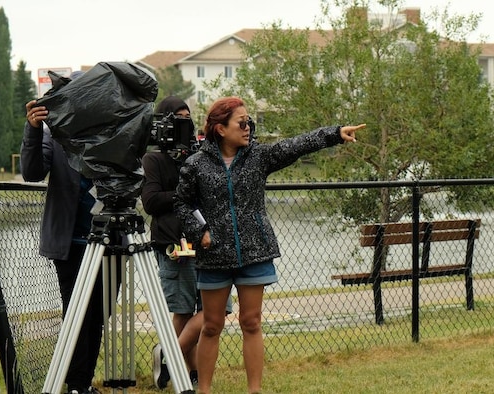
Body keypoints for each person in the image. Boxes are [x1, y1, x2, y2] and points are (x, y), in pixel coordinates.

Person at [174, 96, 365, 394]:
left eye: (250, 121)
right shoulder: (195, 164)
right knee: (211, 326)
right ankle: (204, 390)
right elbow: (182, 203)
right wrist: (200, 232)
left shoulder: (259, 157)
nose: (248, 127)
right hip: (214, 258)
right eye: (241, 122)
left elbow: (296, 145)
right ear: (221, 129)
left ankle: (255, 390)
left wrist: (335, 133)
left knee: (251, 322)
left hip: (254, 254)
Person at [21, 70, 112, 394]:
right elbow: (31, 172)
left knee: (99, 315)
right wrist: (33, 129)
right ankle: (76, 385)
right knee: (77, 314)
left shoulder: (112, 129)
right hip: (72, 242)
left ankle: (82, 383)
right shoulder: (53, 133)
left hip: (109, 241)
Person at [142, 96, 232, 389]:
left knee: (216, 310)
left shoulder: (200, 155)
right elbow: (151, 201)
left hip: (206, 240)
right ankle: (189, 375)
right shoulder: (154, 159)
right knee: (183, 310)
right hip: (173, 244)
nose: (185, 122)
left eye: (188, 116)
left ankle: (168, 355)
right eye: (178, 117)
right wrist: (183, 195)